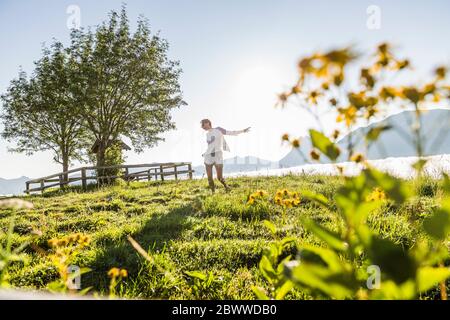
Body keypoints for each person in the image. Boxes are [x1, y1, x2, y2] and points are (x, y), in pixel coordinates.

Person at [200, 119, 250, 193]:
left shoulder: (218, 129)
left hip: (218, 155)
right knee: (209, 178)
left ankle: (226, 187)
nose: (202, 127)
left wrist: (242, 131)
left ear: (208, 123)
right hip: (208, 156)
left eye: (203, 124)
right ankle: (213, 193)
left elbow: (230, 132)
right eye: (201, 126)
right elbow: (210, 145)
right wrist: (205, 153)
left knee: (219, 177)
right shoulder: (207, 134)